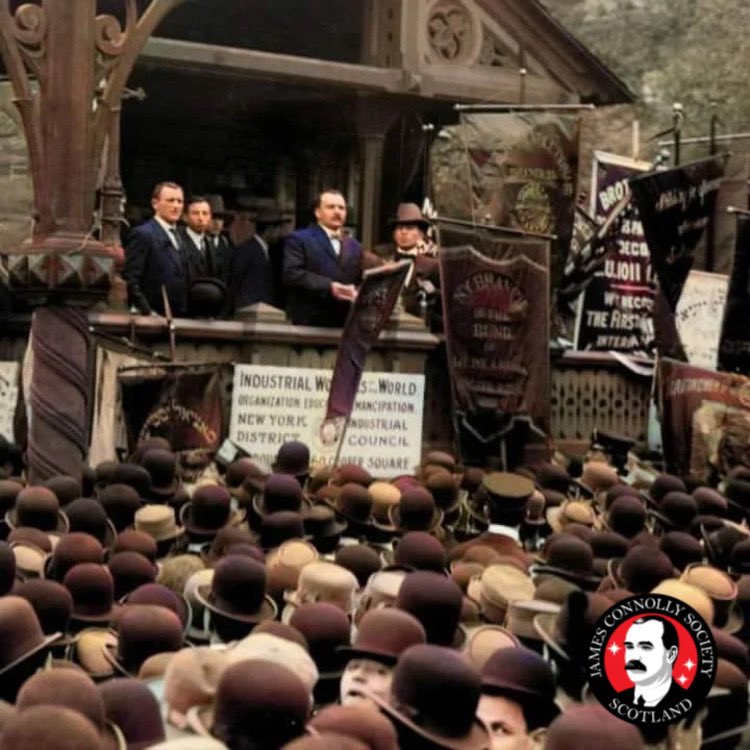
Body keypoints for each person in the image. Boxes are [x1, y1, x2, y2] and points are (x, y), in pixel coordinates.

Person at [282, 189, 362, 327]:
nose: (337, 212)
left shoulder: (355, 245)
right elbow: (291, 274)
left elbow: (359, 278)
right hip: (309, 324)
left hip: (344, 325)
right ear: (317, 212)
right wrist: (329, 286)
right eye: (331, 207)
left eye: (341, 208)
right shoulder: (299, 239)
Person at [123, 182, 191, 317]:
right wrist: (147, 311)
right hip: (154, 318)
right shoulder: (144, 234)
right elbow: (131, 278)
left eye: (180, 201)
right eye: (171, 201)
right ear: (155, 203)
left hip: (179, 317)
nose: (176, 206)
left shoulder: (181, 236)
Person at [387, 203, 440, 321]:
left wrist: (433, 293)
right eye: (400, 227)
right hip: (386, 327)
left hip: (419, 330)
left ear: (421, 234)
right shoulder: (384, 259)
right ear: (394, 233)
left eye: (410, 227)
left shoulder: (432, 265)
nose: (404, 232)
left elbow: (446, 301)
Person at [228, 209, 287, 311]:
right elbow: (236, 283)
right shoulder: (246, 250)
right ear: (269, 229)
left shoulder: (268, 252)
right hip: (247, 312)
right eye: (278, 229)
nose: (281, 233)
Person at [618, 616, 683, 707]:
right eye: (629, 647)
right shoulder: (618, 699)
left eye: (646, 647)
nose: (634, 656)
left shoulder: (686, 702)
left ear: (671, 654)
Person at [181, 196, 217, 280]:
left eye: (205, 213)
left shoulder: (210, 243)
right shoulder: (178, 242)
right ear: (185, 217)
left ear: (210, 217)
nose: (201, 218)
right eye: (195, 213)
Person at [205, 194, 234, 284]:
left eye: (220, 218)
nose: (217, 223)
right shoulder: (198, 243)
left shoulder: (226, 243)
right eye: (213, 218)